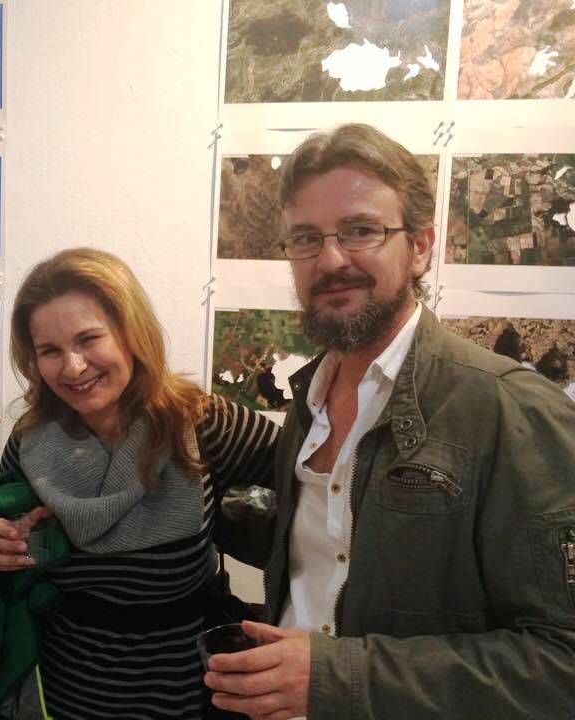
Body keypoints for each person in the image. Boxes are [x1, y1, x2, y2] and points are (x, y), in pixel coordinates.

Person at [205, 123, 575, 718]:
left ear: (421, 246)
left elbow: (561, 662)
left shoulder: (511, 410)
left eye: (361, 230)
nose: (330, 259)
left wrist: (336, 677)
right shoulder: (307, 402)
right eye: (306, 238)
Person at [0, 248, 278, 719]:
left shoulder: (200, 423)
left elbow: (314, 485)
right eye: (50, 351)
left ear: (131, 333)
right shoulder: (29, 443)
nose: (73, 367)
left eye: (89, 339)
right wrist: (1, 546)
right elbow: (25, 557)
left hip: (189, 700)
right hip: (64, 697)